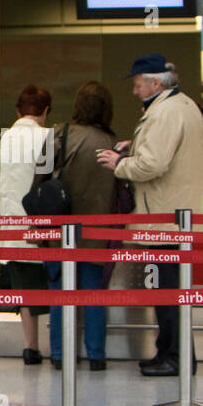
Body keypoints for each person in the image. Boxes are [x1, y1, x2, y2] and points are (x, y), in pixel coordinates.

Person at [98, 54, 203, 377]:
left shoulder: (165, 113)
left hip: (164, 217)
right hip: (178, 213)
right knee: (172, 291)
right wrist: (137, 146)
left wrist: (120, 164)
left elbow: (153, 166)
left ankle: (173, 357)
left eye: (137, 83)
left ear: (156, 83)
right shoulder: (181, 105)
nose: (134, 90)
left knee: (168, 293)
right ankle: (174, 353)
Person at [46, 82, 117, 370]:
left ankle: (61, 354)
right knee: (93, 292)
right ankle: (96, 355)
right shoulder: (111, 142)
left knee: (61, 292)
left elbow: (40, 178)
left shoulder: (60, 134)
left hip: (62, 227)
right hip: (98, 230)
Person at [0, 85, 53, 365]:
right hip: (41, 225)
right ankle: (59, 344)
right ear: (46, 111)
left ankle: (30, 346)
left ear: (18, 111)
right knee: (53, 283)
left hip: (11, 224)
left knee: (25, 289)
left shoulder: (3, 139)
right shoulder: (48, 136)